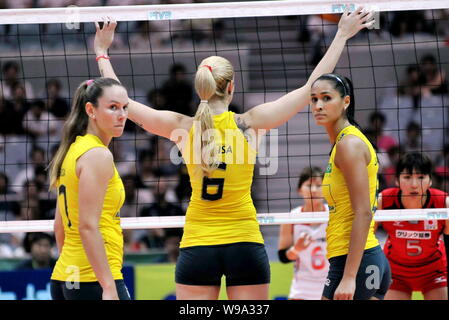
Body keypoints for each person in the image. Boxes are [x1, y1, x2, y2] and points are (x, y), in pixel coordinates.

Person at [94, 8, 375, 300]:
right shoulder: (250, 124)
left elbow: (122, 102)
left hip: (198, 245)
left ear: (200, 88)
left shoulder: (183, 128)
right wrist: (341, 34)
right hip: (245, 245)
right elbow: (310, 88)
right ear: (231, 87)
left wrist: (102, 52)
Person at [48, 78, 131, 300]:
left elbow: (60, 226)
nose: (122, 114)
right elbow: (86, 225)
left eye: (125, 107)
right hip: (93, 280)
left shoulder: (71, 151)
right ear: (90, 110)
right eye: (113, 107)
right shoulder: (97, 155)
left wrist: (72, 266)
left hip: (67, 274)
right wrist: (108, 286)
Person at [311, 73, 391, 300]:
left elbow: (364, 212)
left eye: (327, 98)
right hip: (360, 258)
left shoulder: (349, 144)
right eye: (314, 99)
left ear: (346, 102)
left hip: (356, 263)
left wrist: (348, 277)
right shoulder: (343, 142)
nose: (318, 105)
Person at [377, 152, 448, 300]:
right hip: (395, 271)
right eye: (407, 177)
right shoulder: (384, 200)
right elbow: (367, 235)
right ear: (397, 180)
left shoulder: (443, 203)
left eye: (421, 177)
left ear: (430, 181)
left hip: (433, 270)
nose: (414, 184)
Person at [277, 166, 329, 300]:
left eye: (318, 185)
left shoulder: (334, 216)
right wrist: (296, 249)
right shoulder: (292, 217)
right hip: (302, 288)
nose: (313, 190)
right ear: (299, 190)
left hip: (331, 285)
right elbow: (283, 256)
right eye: (309, 185)